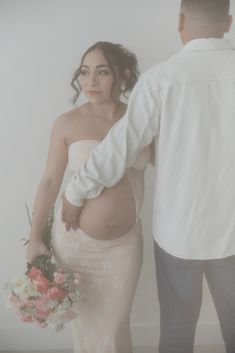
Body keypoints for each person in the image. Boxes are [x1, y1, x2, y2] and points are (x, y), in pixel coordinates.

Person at [61, 1, 235, 352]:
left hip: (178, 233)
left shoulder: (161, 79)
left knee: (176, 330)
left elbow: (117, 148)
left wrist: (74, 192)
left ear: (180, 21)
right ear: (229, 22)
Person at [26, 41, 153, 353]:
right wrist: (34, 239)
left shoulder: (140, 119)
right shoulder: (67, 123)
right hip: (74, 243)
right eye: (85, 72)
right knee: (84, 325)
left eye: (102, 72)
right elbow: (50, 181)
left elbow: (172, 162)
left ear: (122, 77)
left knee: (115, 324)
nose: (91, 82)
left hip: (124, 245)